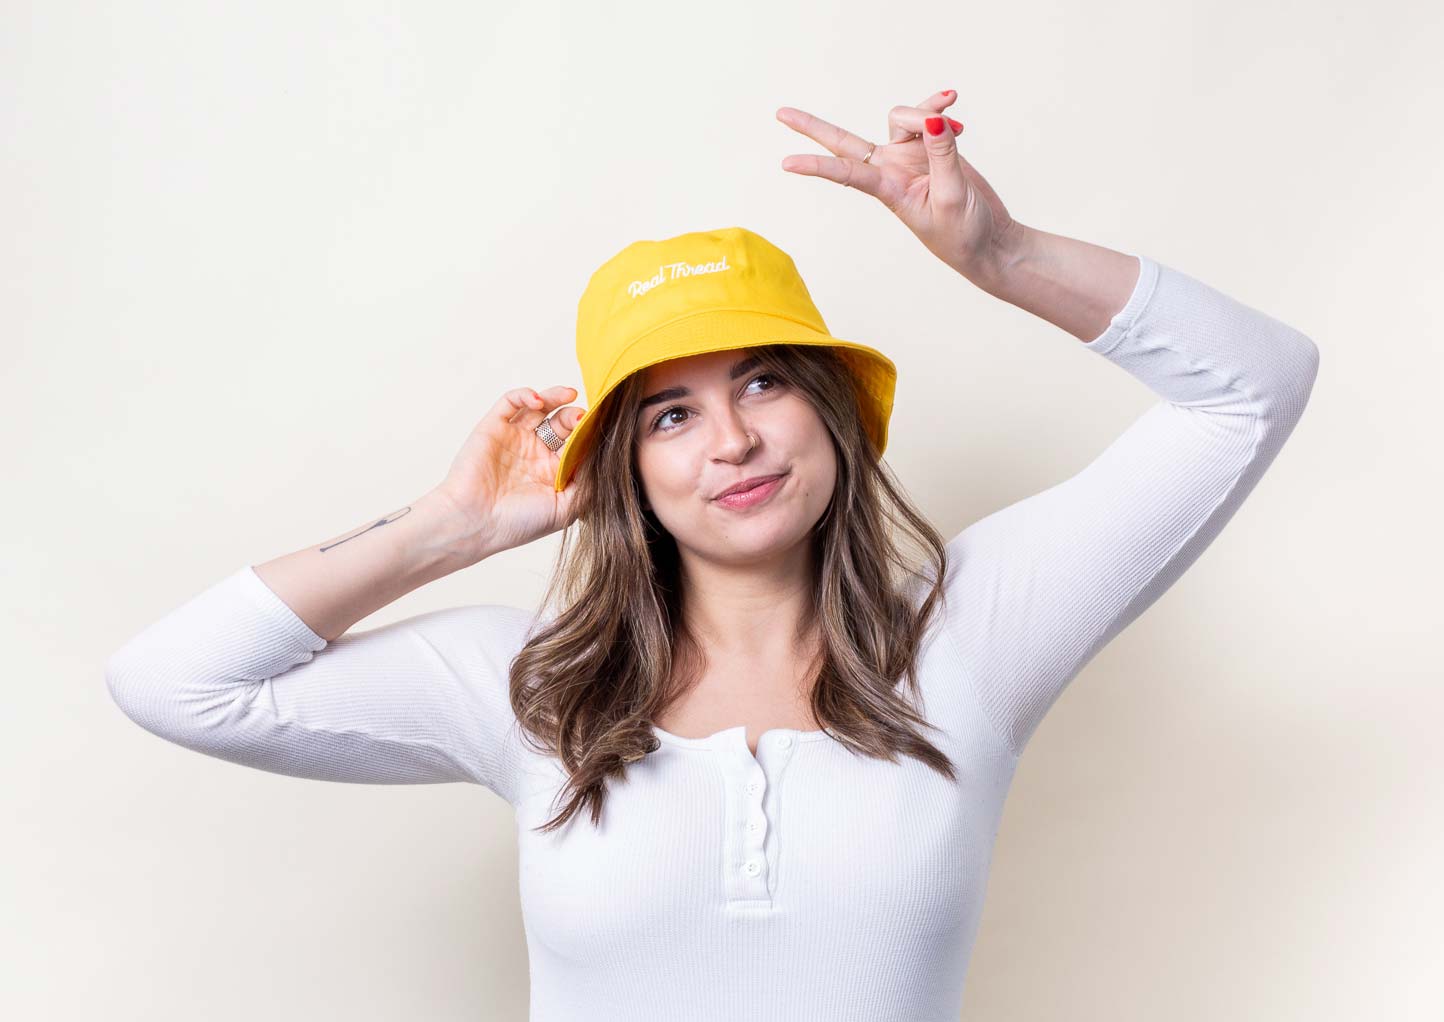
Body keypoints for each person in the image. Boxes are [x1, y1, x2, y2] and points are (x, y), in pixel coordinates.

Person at [104, 89, 1320, 1020]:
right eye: (670, 413)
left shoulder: (971, 631)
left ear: (832, 409)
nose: (732, 439)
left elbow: (1254, 389)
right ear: (621, 462)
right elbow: (174, 681)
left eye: (765, 381)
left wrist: (998, 256)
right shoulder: (527, 684)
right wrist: (453, 527)